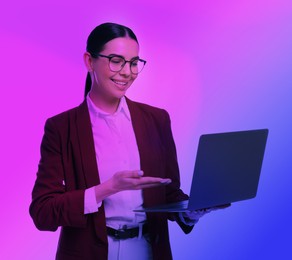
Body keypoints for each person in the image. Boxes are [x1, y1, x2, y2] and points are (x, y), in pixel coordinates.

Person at [29, 22, 214, 260]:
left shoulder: (156, 119)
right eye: (116, 61)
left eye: (134, 62)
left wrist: (191, 211)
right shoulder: (61, 128)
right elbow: (43, 212)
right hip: (89, 252)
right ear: (89, 61)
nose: (127, 72)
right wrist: (108, 188)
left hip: (148, 250)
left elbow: (168, 194)